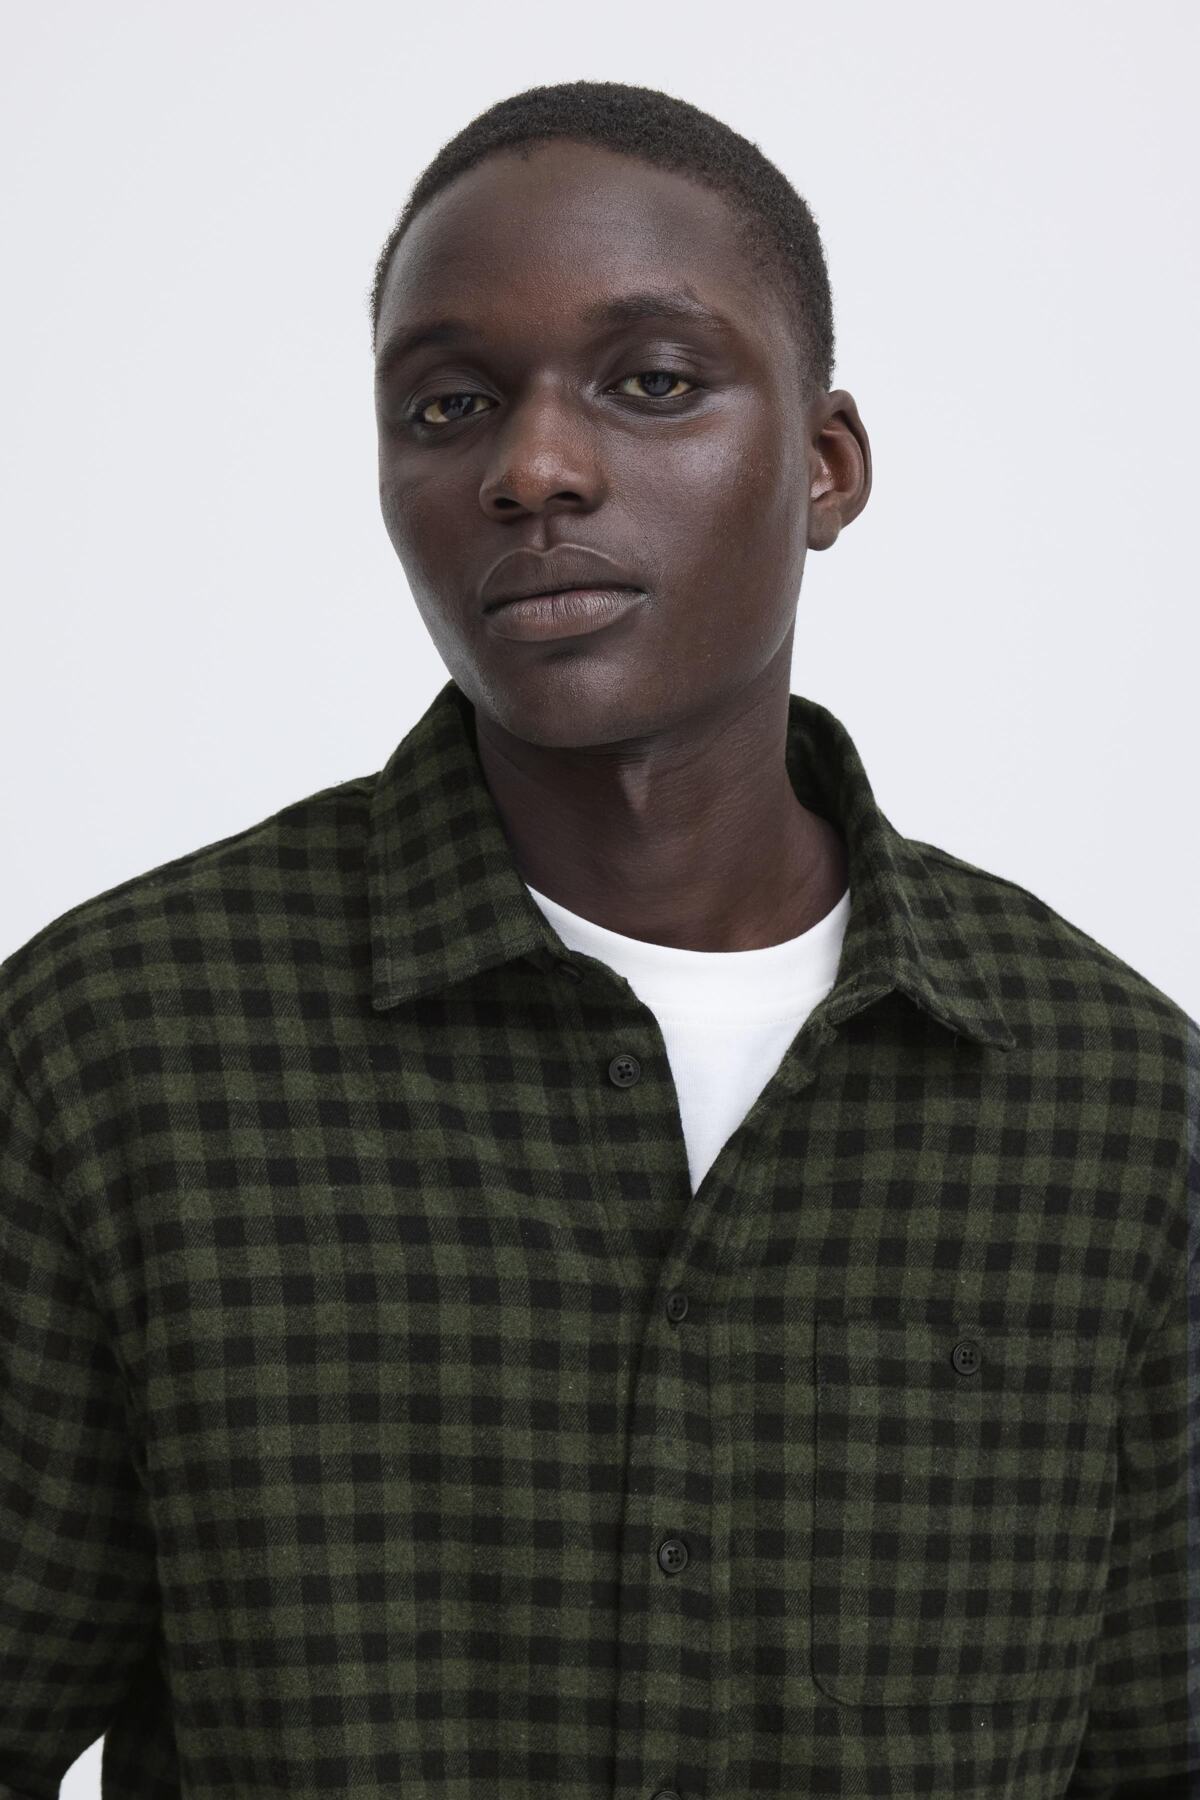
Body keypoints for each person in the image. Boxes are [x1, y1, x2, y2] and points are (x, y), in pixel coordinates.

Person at [1, 79, 1194, 1800]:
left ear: (827, 468)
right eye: (449, 406)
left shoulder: (1123, 1109)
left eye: (653, 382)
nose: (533, 470)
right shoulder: (114, 1054)